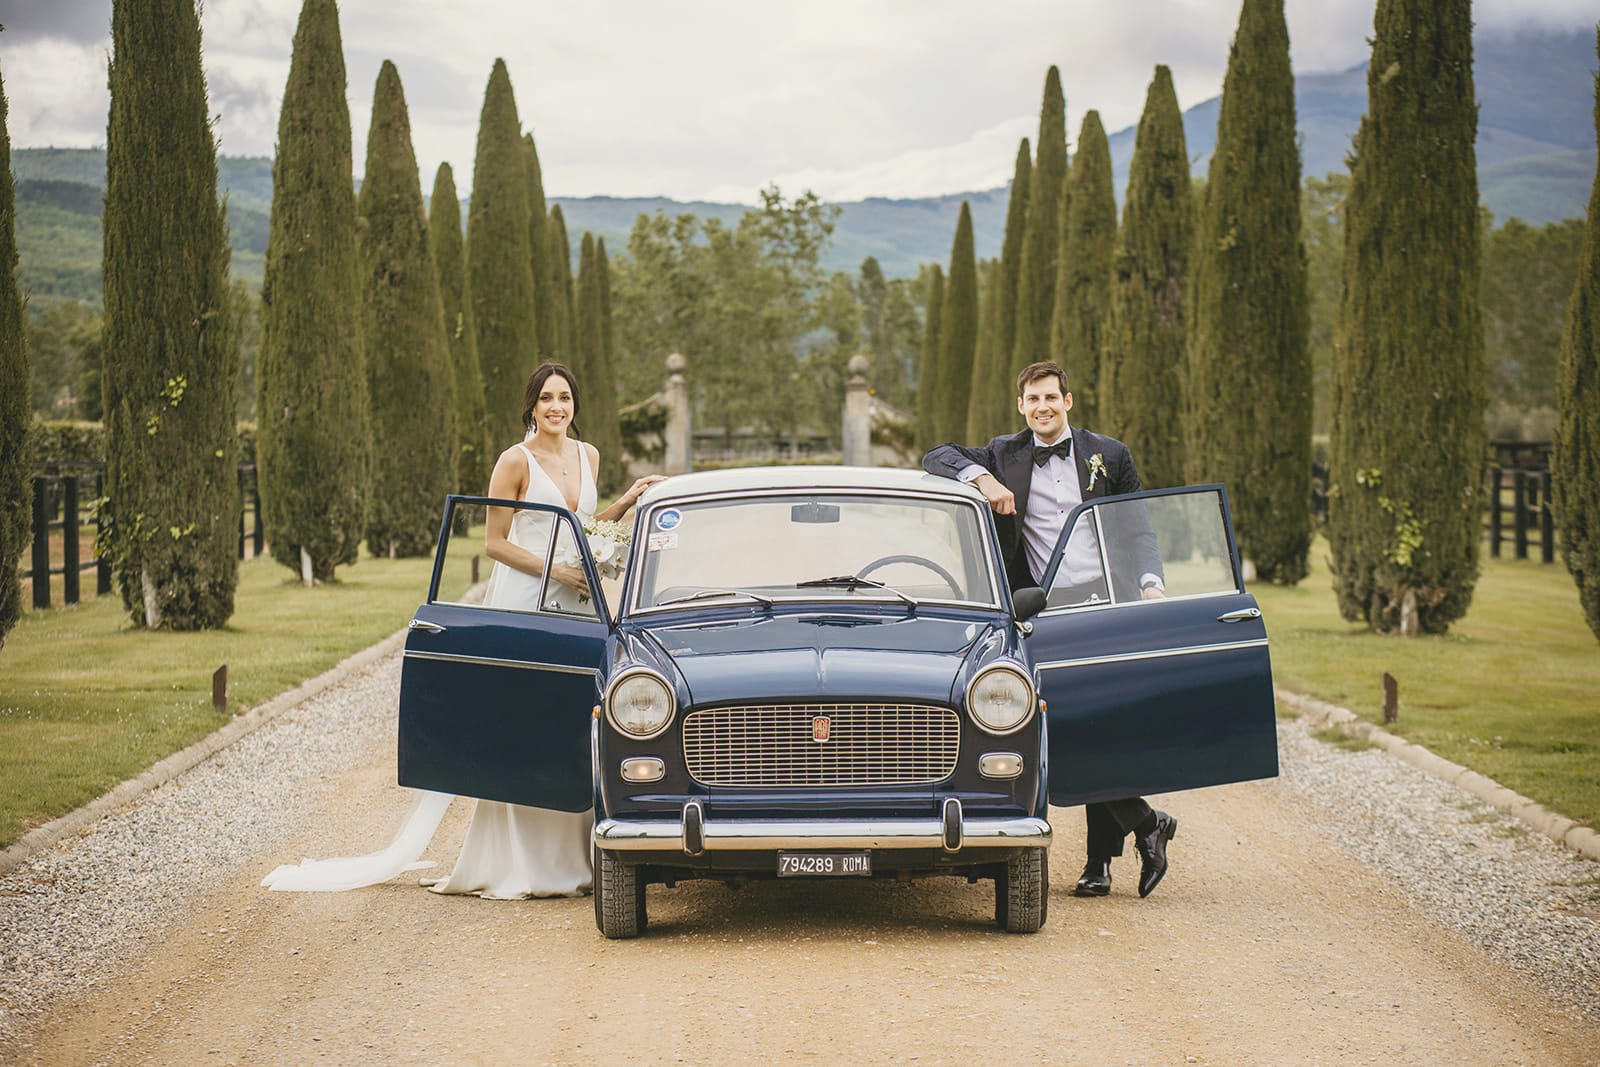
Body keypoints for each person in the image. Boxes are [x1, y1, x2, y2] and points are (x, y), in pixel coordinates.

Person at [263, 362, 663, 898]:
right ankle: (521, 864)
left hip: (574, 599)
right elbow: (495, 542)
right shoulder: (514, 461)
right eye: (546, 398)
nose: (556, 407)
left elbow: (582, 528)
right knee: (520, 717)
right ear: (531, 405)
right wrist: (555, 571)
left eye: (564, 397)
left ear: (575, 404)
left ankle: (576, 855)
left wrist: (630, 497)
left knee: (570, 714)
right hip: (526, 598)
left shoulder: (587, 454)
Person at [922, 360, 1178, 899]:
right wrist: (984, 480)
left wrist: (1151, 582)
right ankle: (1146, 822)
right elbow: (935, 456)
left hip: (1106, 603)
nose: (1042, 407)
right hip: (1041, 611)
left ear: (1068, 401)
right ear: (1021, 406)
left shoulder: (1110, 455)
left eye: (1051, 398)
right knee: (1056, 731)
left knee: (1102, 726)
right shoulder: (1003, 453)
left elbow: (1136, 527)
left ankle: (1098, 865)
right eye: (1032, 399)